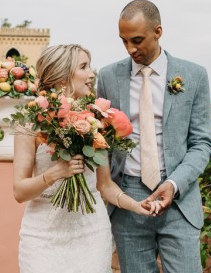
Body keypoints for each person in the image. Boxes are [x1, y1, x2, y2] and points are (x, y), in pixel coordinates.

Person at [13, 44, 154, 273]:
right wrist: (55, 173)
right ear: (62, 76)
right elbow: (19, 191)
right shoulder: (30, 125)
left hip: (91, 233)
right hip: (42, 236)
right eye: (84, 67)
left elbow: (105, 185)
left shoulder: (96, 122)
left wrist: (136, 206)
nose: (91, 74)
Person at [97, 0, 211, 273]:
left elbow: (202, 143)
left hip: (179, 201)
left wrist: (174, 183)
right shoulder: (107, 77)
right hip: (128, 199)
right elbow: (100, 139)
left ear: (158, 31)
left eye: (137, 40)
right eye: (124, 41)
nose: (130, 49)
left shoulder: (194, 75)